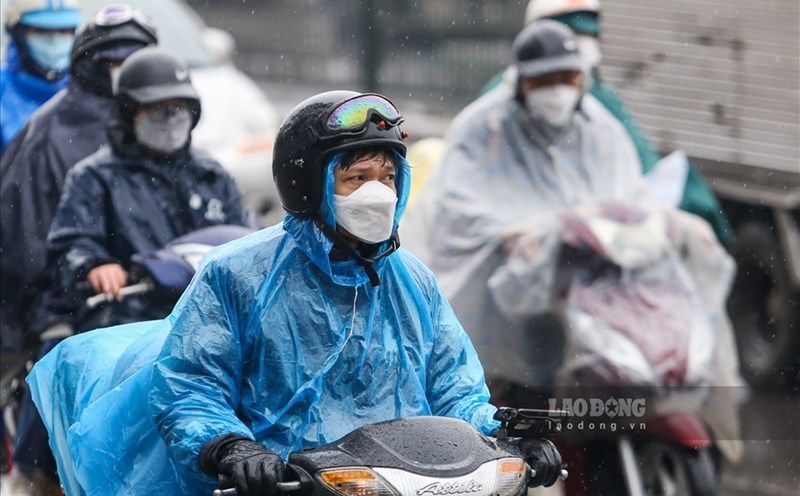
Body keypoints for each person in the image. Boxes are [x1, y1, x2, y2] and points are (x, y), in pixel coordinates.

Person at [26, 90, 563, 495]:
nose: (378, 193)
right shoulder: (238, 276)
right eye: (356, 178)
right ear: (310, 184)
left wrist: (501, 438)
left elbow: (456, 389)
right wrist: (230, 446)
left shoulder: (414, 283)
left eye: (388, 177)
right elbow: (191, 384)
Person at [8, 45, 252, 494]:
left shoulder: (212, 176)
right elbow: (70, 242)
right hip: (121, 312)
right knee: (58, 358)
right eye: (156, 110)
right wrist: (95, 265)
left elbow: (245, 242)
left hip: (198, 313)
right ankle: (40, 473)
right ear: (128, 112)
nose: (169, 119)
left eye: (178, 109)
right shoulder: (95, 176)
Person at [404, 19, 653, 394]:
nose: (557, 90)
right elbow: (454, 206)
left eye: (567, 78)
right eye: (543, 80)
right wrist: (504, 233)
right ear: (520, 81)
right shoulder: (482, 128)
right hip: (505, 285)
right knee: (509, 392)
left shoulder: (600, 130)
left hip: (583, 280)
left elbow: (629, 195)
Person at [478, 0, 732, 244]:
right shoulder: (496, 105)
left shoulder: (598, 104)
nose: (583, 42)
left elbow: (635, 168)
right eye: (573, 31)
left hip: (591, 240)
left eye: (590, 34)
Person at [0, 4, 158, 353]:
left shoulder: (155, 126)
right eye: (44, 32)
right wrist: (52, 306)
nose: (55, 42)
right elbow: (27, 238)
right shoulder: (50, 134)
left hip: (141, 308)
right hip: (75, 310)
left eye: (63, 32)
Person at [0, 0, 82, 152]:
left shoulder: (86, 89)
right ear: (18, 33)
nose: (55, 40)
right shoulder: (3, 90)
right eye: (41, 31)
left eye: (64, 31)